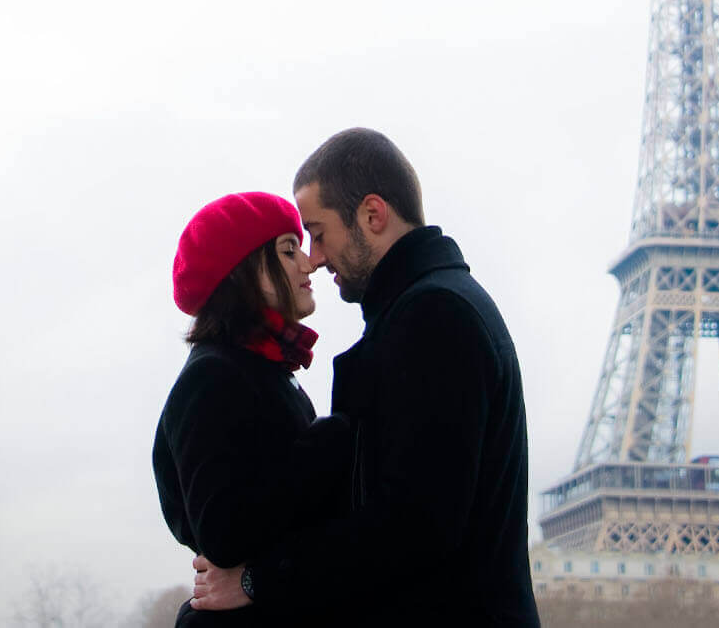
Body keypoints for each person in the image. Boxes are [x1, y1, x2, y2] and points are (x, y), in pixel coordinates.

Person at [190, 128, 541, 627]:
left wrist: (257, 579)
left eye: (317, 231)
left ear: (372, 216)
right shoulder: (434, 306)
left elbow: (414, 525)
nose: (314, 256)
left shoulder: (433, 316)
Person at [153, 192, 350, 626]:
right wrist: (334, 438)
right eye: (287, 250)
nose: (307, 262)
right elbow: (223, 531)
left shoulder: (262, 371)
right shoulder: (213, 378)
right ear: (243, 271)